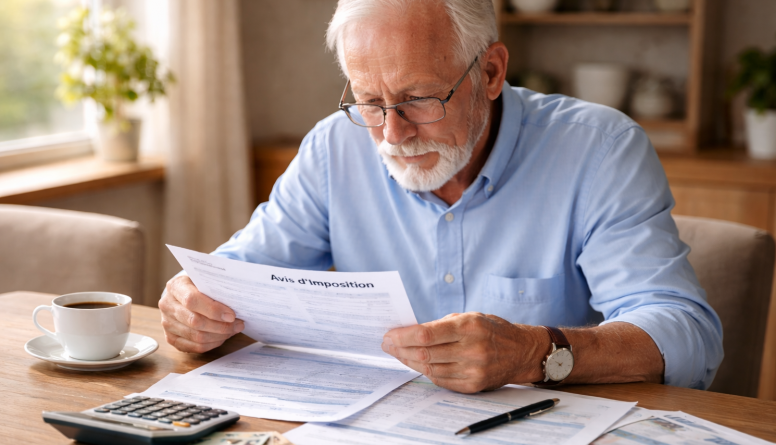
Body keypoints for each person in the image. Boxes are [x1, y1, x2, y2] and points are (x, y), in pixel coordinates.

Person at [159, 0, 723, 393]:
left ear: (492, 71)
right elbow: (236, 275)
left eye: (420, 98)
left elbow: (687, 336)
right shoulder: (336, 147)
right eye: (369, 101)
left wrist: (532, 352)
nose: (392, 133)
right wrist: (194, 303)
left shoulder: (600, 151)